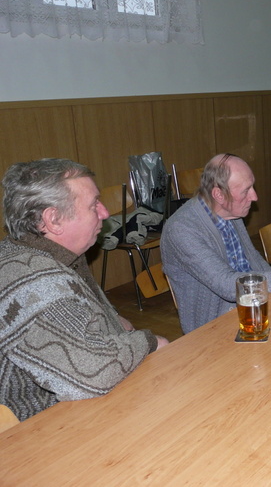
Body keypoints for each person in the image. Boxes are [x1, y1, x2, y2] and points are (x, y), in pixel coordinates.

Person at [0, 159, 168, 421]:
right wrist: (150, 341)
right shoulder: (36, 282)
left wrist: (112, 320)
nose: (105, 213)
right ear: (53, 220)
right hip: (39, 426)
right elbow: (94, 372)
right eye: (93, 205)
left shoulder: (46, 253)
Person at [161, 154, 271, 334]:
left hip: (254, 307)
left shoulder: (231, 212)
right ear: (219, 195)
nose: (254, 196)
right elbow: (227, 285)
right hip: (214, 328)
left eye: (252, 186)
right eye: (246, 191)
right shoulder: (181, 229)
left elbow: (254, 261)